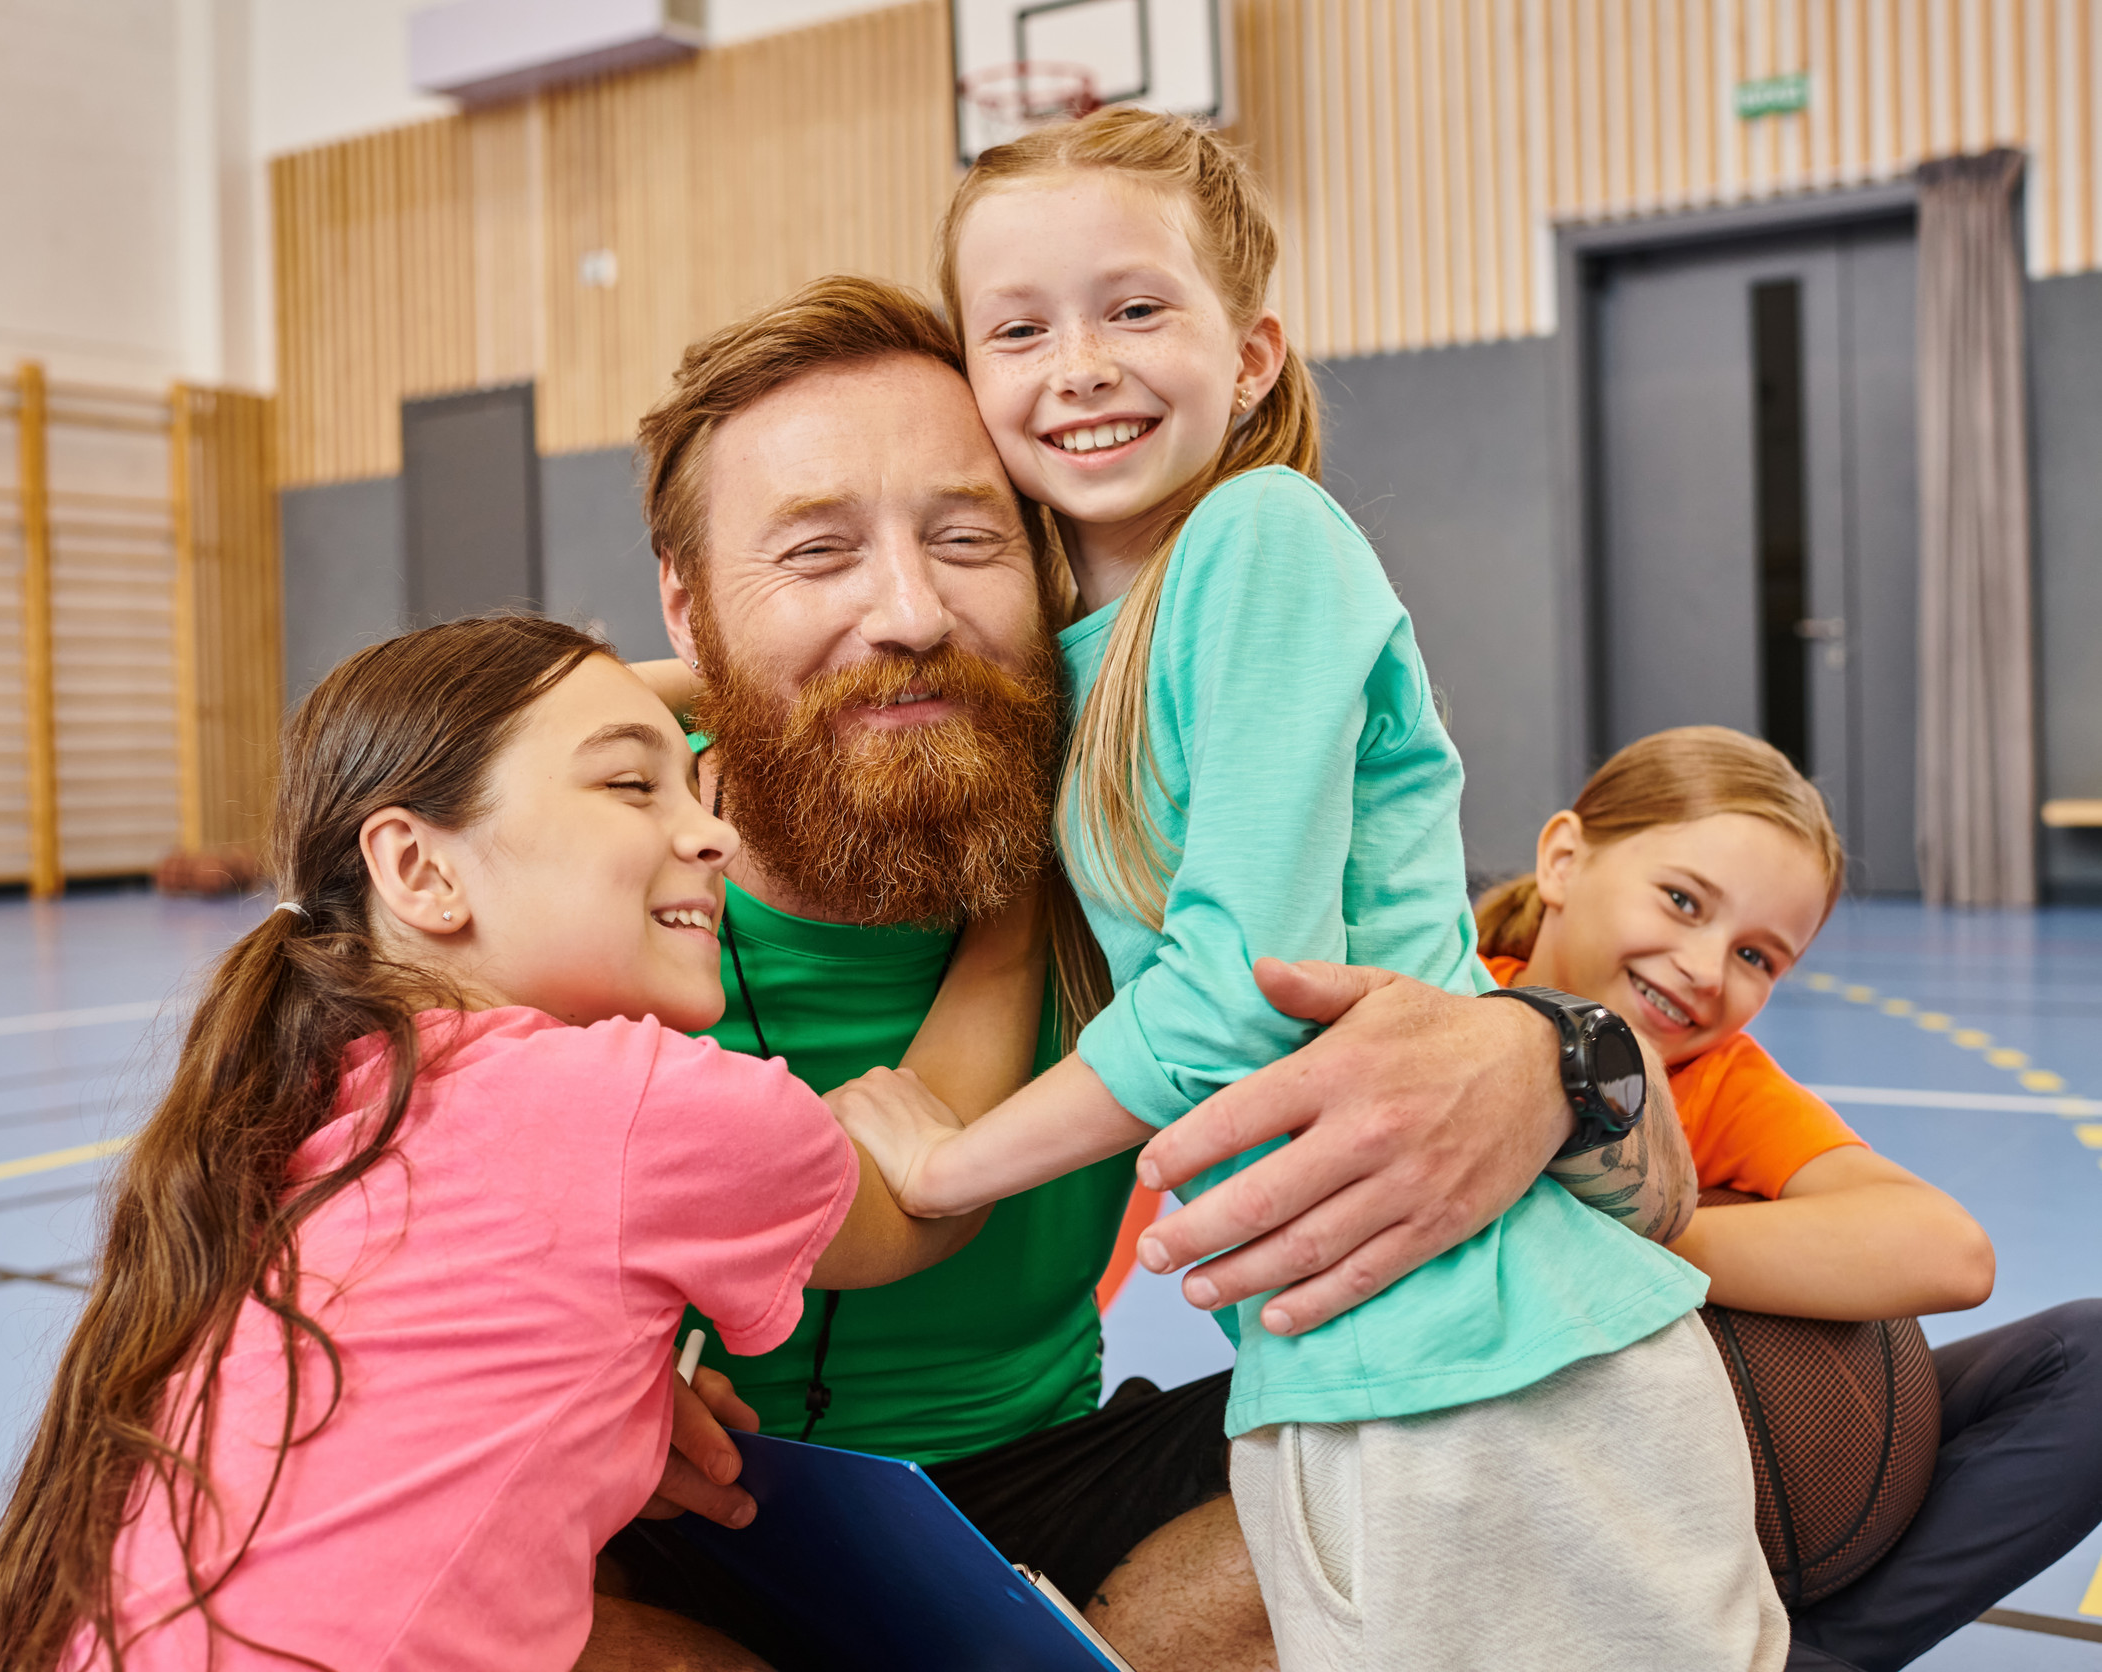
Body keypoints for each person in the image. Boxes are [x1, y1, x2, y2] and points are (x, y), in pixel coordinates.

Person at [596, 268, 1702, 1669]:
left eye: (969, 538)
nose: (911, 613)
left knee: (1701, 1390)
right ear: (688, 612)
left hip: (1047, 1494)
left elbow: (1657, 1201)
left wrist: (1551, 1063)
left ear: (1053, 570)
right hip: (659, 1517)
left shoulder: (1144, 853)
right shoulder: (570, 890)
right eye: (817, 554)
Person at [840, 109, 1784, 1671]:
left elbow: (1237, 991)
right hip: (1334, 1350)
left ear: (1255, 351)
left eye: (1136, 308)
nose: (1078, 364)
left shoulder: (1262, 542)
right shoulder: (1088, 644)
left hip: (1486, 1346)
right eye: (1021, 328)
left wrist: (950, 1172)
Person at [0, 617, 1004, 1672]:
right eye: (634, 787)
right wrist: (1025, 861)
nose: (715, 833)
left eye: (690, 784)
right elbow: (928, 1198)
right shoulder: (630, 1106)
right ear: (417, 866)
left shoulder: (301, 1093)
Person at [1476, 724, 2102, 1672]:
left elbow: (1948, 1252)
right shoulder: (1455, 1012)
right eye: (1682, 901)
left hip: (1709, 1461)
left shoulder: (1714, 1077)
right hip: (1519, 1475)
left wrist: (1643, 1231)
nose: (1703, 968)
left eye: (1758, 957)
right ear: (1564, 859)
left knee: (2091, 1358)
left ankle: (1804, 1658)